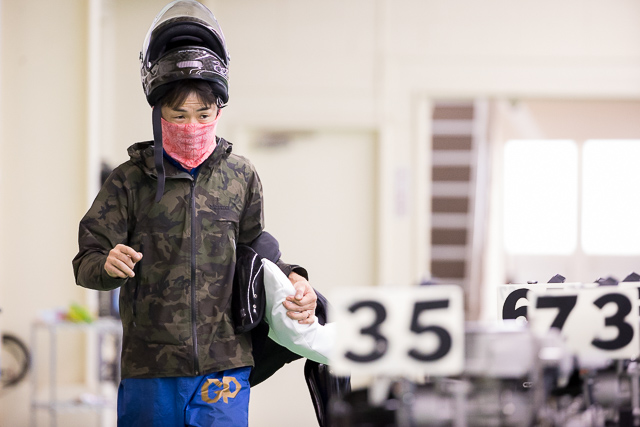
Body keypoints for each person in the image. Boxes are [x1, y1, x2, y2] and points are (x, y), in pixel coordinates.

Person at [72, 1, 316, 425]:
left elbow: (256, 254)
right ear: (158, 113)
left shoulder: (241, 177)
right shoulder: (129, 181)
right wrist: (107, 265)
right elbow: (85, 262)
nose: (191, 126)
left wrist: (295, 279)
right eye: (178, 115)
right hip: (151, 369)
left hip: (225, 366)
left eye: (203, 115)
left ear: (219, 110)